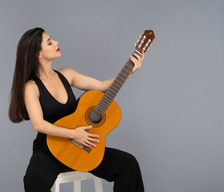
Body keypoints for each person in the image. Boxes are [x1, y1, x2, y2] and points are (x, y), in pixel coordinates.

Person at [9, 27, 145, 192]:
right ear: (38, 54)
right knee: (34, 177)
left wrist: (130, 70)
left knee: (128, 164)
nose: (56, 43)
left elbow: (102, 86)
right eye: (50, 42)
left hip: (82, 146)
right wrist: (75, 134)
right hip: (49, 149)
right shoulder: (31, 87)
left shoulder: (67, 74)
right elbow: (39, 125)